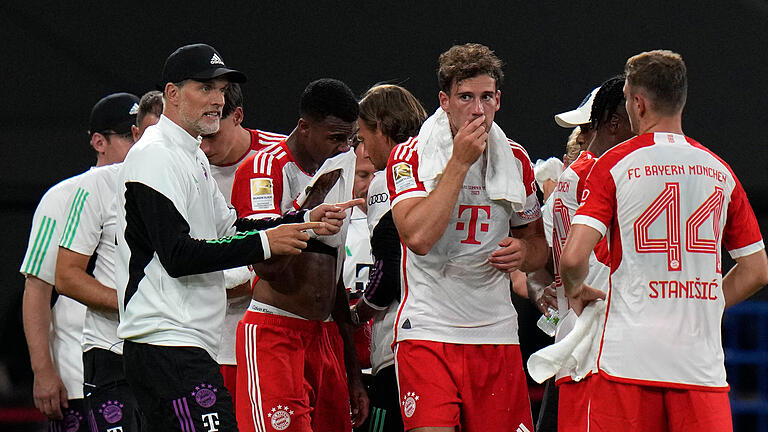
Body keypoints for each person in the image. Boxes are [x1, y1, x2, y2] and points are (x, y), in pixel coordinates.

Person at [114, 44, 344, 432]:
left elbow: (231, 228)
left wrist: (301, 220)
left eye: (221, 90)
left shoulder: (192, 155)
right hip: (165, 341)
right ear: (172, 93)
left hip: (183, 342)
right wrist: (269, 243)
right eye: (206, 88)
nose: (218, 100)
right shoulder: (155, 154)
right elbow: (178, 254)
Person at [560, 49, 768, 432]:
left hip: (627, 364)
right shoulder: (721, 171)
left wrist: (575, 288)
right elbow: (756, 270)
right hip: (700, 370)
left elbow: (573, 257)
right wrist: (705, 303)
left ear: (637, 103)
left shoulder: (614, 164)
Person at [386, 43, 548, 432]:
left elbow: (538, 246)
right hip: (428, 329)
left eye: (486, 97)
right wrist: (458, 163)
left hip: (495, 331)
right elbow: (419, 237)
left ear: (498, 100)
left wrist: (523, 251)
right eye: (465, 97)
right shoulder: (410, 157)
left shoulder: (516, 160)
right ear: (444, 101)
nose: (477, 109)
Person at [231, 78, 369, 432]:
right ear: (304, 127)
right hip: (275, 333)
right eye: (335, 138)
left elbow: (333, 272)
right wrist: (309, 204)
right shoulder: (263, 169)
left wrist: (352, 371)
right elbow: (269, 265)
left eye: (349, 139)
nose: (343, 149)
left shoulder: (340, 168)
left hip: (324, 337)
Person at [20, 92, 140, 432]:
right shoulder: (64, 196)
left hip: (143, 367)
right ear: (99, 141)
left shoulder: (152, 193)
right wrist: (43, 371)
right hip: (77, 375)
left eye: (141, 134)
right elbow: (37, 288)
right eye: (128, 135)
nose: (137, 142)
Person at [548, 75, 634, 432]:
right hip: (597, 337)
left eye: (585, 126)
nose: (581, 136)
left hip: (579, 332)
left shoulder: (576, 175)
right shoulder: (603, 172)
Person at [199, 82, 287, 402]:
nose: (204, 148)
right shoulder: (184, 164)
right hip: (210, 340)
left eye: (212, 136)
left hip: (275, 332)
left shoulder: (281, 157)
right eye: (199, 136)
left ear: (237, 116)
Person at [55, 125, 145, 430]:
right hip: (106, 349)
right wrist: (43, 369)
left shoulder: (195, 180)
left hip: (172, 350)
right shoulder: (80, 190)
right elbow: (56, 280)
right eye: (137, 137)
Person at [351, 83, 427, 432]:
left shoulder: (388, 179)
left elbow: (389, 269)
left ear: (381, 127)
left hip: (401, 340)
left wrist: (358, 312)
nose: (364, 151)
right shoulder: (440, 166)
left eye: (364, 138)